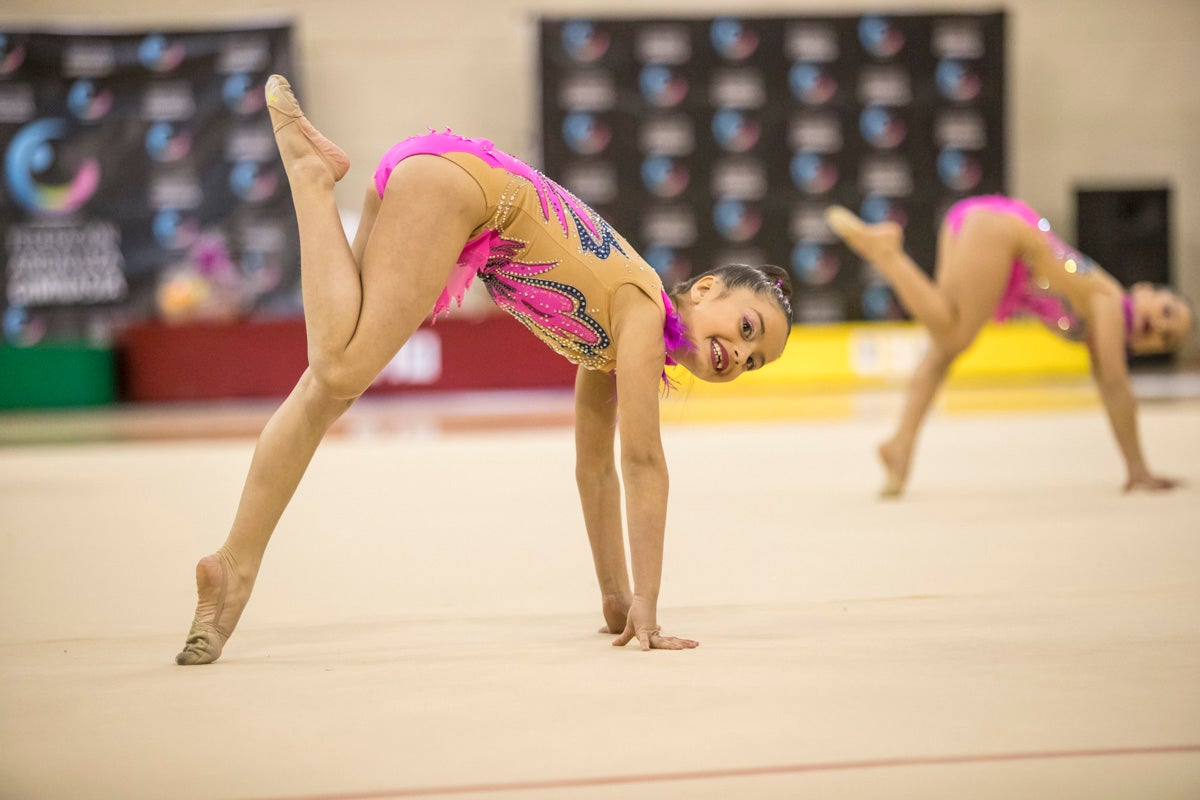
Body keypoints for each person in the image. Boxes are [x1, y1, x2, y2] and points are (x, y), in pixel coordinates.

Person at [175, 75, 794, 665]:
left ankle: (233, 565)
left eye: (754, 361)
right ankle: (311, 181)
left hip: (442, 176)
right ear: (705, 289)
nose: (741, 356)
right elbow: (642, 462)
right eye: (748, 329)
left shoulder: (616, 339)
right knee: (338, 368)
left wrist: (616, 594)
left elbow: (595, 467)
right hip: (459, 190)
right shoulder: (642, 306)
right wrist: (649, 609)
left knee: (325, 388)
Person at [824, 197, 1192, 498]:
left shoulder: (1101, 318)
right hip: (1000, 230)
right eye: (1166, 312)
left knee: (944, 349)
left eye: (1167, 336)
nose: (1159, 326)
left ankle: (900, 447)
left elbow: (1108, 386)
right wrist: (1138, 469)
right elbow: (1115, 385)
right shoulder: (1110, 302)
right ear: (1143, 290)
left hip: (985, 222)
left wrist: (1135, 466)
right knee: (955, 336)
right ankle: (887, 254)